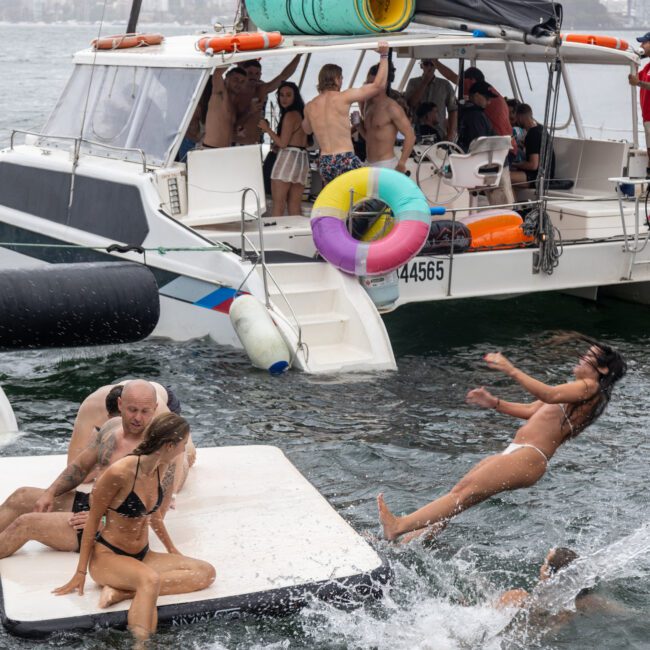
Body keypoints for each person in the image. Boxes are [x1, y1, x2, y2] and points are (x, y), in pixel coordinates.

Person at [377, 335, 626, 542]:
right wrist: (495, 403)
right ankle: (416, 540)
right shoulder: (578, 390)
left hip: (529, 456)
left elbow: (549, 395)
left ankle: (398, 527)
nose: (581, 358)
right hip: (520, 453)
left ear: (602, 368)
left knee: (462, 494)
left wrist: (511, 369)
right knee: (460, 495)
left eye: (588, 357)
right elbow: (532, 410)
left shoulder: (589, 388)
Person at [54, 413, 216, 646]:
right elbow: (92, 522)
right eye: (182, 445)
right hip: (109, 557)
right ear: (169, 445)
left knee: (205, 572)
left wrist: (172, 549)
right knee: (149, 580)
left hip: (143, 554)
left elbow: (155, 517)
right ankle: (140, 644)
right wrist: (80, 574)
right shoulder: (120, 473)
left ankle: (122, 592)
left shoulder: (162, 467)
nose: (183, 451)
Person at [0, 380, 168, 558]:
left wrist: (103, 520)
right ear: (120, 404)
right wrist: (51, 492)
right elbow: (80, 467)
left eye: (145, 411)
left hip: (111, 531)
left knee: (26, 524)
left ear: (155, 408)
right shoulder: (111, 428)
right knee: (21, 496)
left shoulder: (156, 449)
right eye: (132, 410)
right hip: (92, 505)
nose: (137, 418)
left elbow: (154, 514)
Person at [303, 43, 389, 185]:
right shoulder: (344, 97)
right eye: (341, 78)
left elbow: (307, 129)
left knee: (336, 201)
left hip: (325, 161)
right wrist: (384, 55)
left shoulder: (310, 106)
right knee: (355, 200)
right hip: (345, 158)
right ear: (336, 79)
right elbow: (378, 86)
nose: (342, 81)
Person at [258, 81, 309, 216]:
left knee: (278, 205)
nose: (284, 98)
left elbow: (283, 143)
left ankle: (276, 235)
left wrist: (266, 128)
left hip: (287, 160)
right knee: (294, 206)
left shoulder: (290, 115)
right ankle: (295, 235)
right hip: (302, 160)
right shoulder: (302, 114)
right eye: (281, 95)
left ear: (295, 96)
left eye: (288, 95)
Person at [233, 56, 302, 146]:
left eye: (257, 73)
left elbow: (284, 76)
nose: (253, 76)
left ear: (260, 75)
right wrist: (249, 111)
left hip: (256, 143)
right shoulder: (235, 91)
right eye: (250, 73)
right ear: (243, 73)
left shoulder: (262, 89)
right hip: (237, 143)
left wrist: (299, 55)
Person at [360, 63, 416, 172]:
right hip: (368, 163)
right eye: (368, 83)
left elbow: (410, 135)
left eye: (373, 83)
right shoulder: (367, 104)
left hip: (386, 165)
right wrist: (359, 126)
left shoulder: (392, 107)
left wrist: (402, 162)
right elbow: (370, 137)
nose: (369, 87)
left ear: (384, 84)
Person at [405, 59, 458, 142]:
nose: (429, 67)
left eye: (432, 64)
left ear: (436, 66)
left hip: (439, 132)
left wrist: (450, 134)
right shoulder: (413, 82)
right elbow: (411, 103)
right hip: (417, 132)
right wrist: (425, 82)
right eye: (426, 64)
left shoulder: (445, 85)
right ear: (421, 66)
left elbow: (453, 110)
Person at [510, 103, 556, 188]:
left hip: (538, 177)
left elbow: (533, 165)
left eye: (516, 118)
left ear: (520, 117)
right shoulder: (541, 128)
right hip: (548, 174)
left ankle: (511, 201)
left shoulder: (532, 134)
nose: (516, 121)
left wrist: (514, 164)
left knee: (503, 178)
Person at [203, 66, 247, 148]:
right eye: (235, 80)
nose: (239, 84)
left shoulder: (233, 104)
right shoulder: (220, 94)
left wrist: (237, 130)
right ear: (226, 78)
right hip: (210, 148)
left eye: (242, 82)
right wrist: (231, 56)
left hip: (225, 150)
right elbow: (217, 73)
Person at [628, 32, 650, 176]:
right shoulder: (648, 67)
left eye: (644, 43)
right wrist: (635, 59)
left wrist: (639, 83)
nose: (641, 45)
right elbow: (635, 78)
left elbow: (640, 82)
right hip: (647, 117)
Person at [457, 81, 496, 152]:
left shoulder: (465, 111)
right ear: (476, 95)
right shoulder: (476, 115)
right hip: (479, 160)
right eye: (487, 98)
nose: (489, 102)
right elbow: (480, 144)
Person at [506, 98, 526, 164]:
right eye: (507, 112)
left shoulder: (525, 129)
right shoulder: (507, 127)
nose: (510, 115)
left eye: (512, 112)